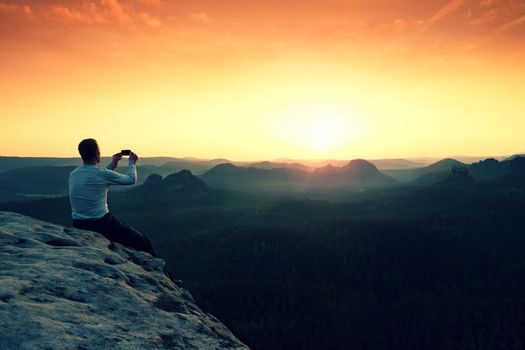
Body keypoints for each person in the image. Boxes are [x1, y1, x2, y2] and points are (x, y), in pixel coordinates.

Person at [68, 138, 156, 256]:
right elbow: (131, 179)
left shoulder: (74, 173)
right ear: (96, 154)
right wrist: (132, 163)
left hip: (79, 223)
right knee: (144, 243)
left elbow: (97, 176)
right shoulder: (101, 174)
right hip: (101, 224)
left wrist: (113, 164)